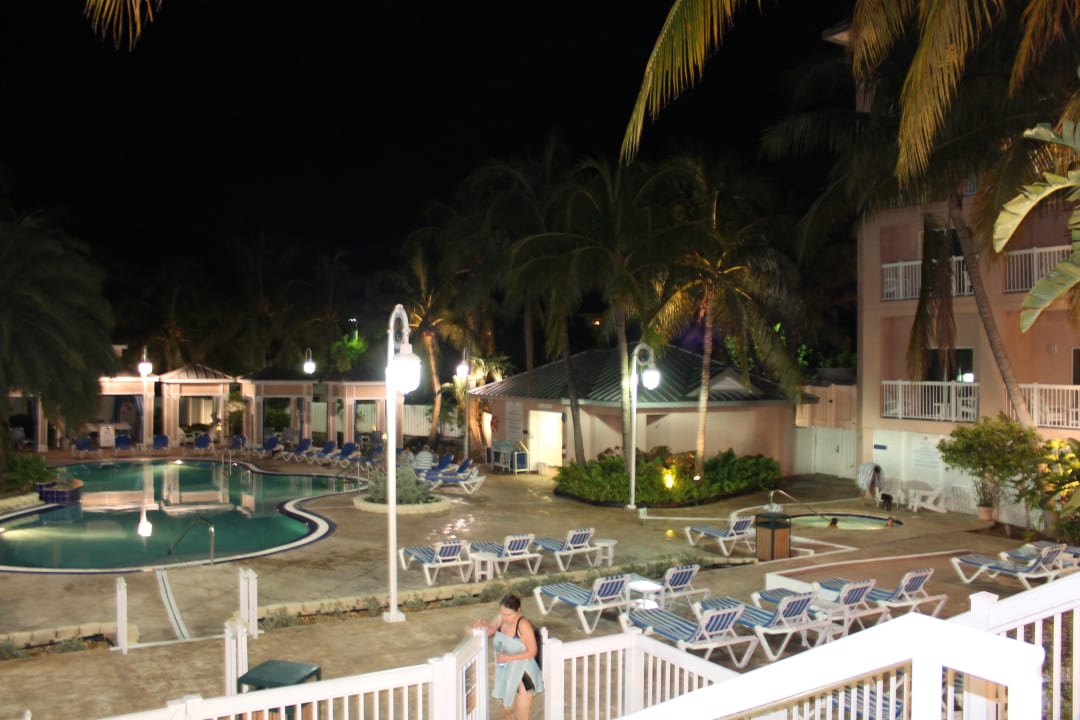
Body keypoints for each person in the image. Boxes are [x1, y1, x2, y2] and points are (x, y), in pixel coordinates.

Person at [474, 594, 542, 720]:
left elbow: (533, 651)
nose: (505, 618)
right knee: (507, 710)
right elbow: (491, 629)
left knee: (521, 716)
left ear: (518, 611)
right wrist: (483, 626)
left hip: (525, 673)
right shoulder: (502, 617)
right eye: (503, 613)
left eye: (508, 615)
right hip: (508, 671)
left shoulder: (523, 625)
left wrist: (508, 658)